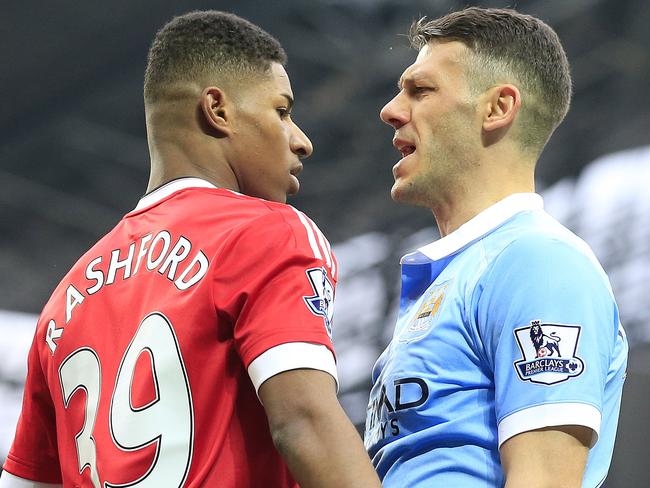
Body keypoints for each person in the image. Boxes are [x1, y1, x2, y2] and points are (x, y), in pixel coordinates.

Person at [0, 11, 380, 488]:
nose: (301, 141)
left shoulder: (64, 301)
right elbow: (302, 421)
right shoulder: (265, 232)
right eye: (281, 111)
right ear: (218, 110)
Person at [364, 7, 627, 487]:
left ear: (497, 108)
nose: (391, 110)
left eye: (420, 90)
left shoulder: (537, 263)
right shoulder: (459, 277)